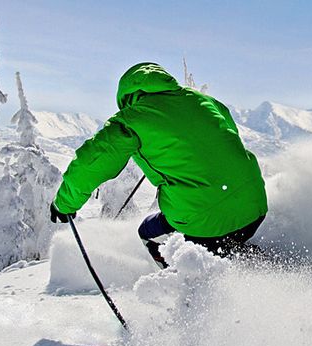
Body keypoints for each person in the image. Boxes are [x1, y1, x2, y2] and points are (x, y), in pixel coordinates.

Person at [49, 62, 268, 268]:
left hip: (202, 221)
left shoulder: (131, 120)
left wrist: (65, 203)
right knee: (225, 231)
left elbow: (92, 162)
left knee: (149, 233)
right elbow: (226, 136)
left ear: (126, 96)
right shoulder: (202, 100)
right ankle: (250, 264)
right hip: (255, 205)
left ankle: (189, 290)